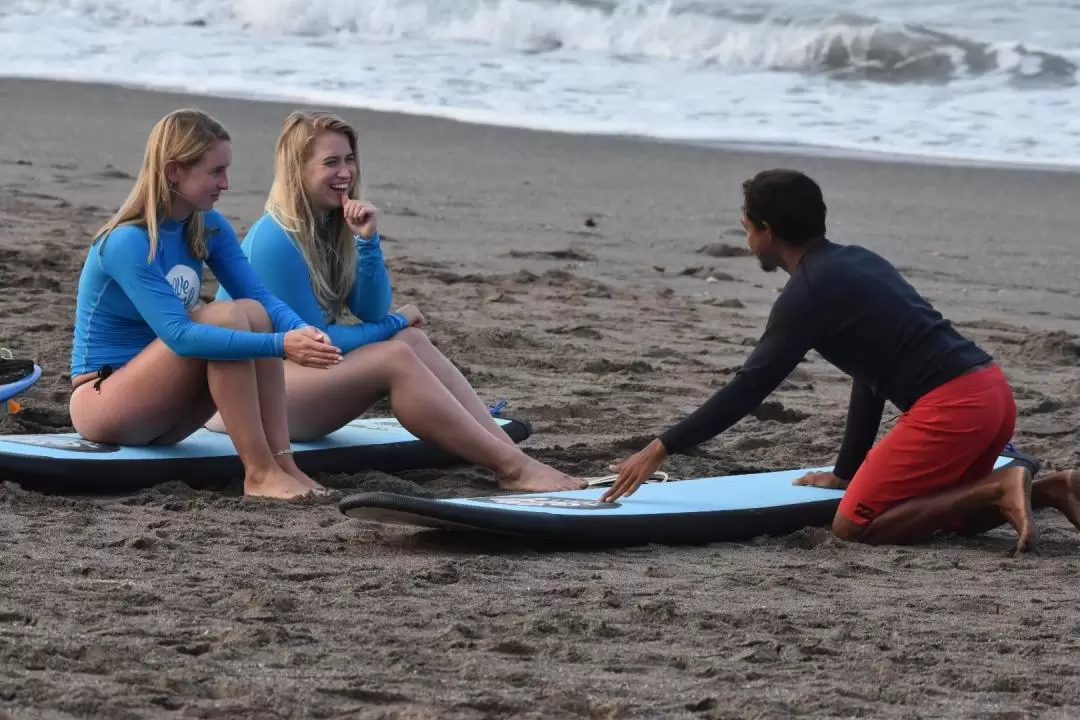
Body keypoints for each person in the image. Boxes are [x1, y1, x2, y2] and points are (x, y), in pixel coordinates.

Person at [602, 168, 1080, 555]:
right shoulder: (858, 260)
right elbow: (867, 374)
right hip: (991, 391)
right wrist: (846, 470)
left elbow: (749, 388)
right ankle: (1049, 489)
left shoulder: (807, 294)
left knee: (857, 525)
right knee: (946, 514)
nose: (748, 241)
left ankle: (1000, 486)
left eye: (747, 228)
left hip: (953, 407)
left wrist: (662, 446)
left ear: (767, 231)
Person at [210, 109, 583, 492]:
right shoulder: (276, 237)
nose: (345, 172)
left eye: (349, 159)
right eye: (330, 162)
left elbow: (369, 309)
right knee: (396, 354)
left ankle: (511, 457)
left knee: (412, 342)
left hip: (294, 383)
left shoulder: (330, 224)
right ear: (297, 170)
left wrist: (366, 241)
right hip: (248, 403)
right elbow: (318, 342)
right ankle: (513, 468)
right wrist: (395, 323)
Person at [69, 108, 344, 500]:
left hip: (168, 412)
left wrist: (302, 331)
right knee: (226, 316)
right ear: (173, 171)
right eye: (215, 171)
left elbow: (261, 297)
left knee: (254, 312)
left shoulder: (208, 226)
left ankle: (283, 464)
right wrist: (281, 346)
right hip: (105, 404)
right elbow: (179, 337)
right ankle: (259, 473)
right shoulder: (126, 242)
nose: (226, 183)